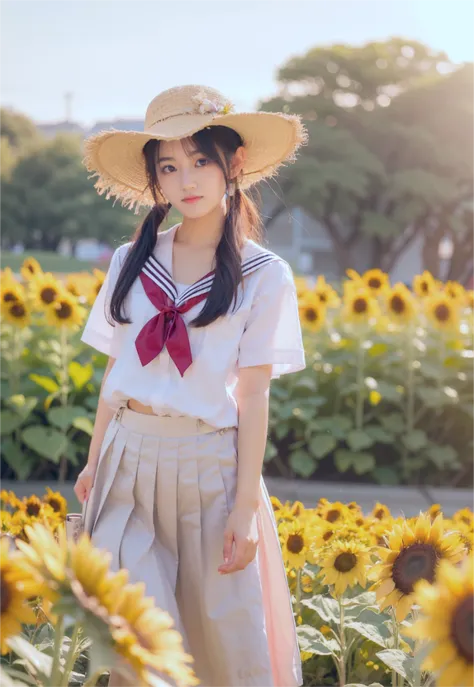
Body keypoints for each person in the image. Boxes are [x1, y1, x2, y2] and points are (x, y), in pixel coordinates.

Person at [75, 84, 307, 687]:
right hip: (127, 463)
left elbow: (254, 396)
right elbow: (114, 373)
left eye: (202, 161)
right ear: (155, 180)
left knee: (223, 647)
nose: (188, 180)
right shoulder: (131, 260)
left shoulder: (264, 275)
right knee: (138, 644)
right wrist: (93, 461)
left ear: (232, 165)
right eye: (170, 167)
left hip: (210, 469)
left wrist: (244, 509)